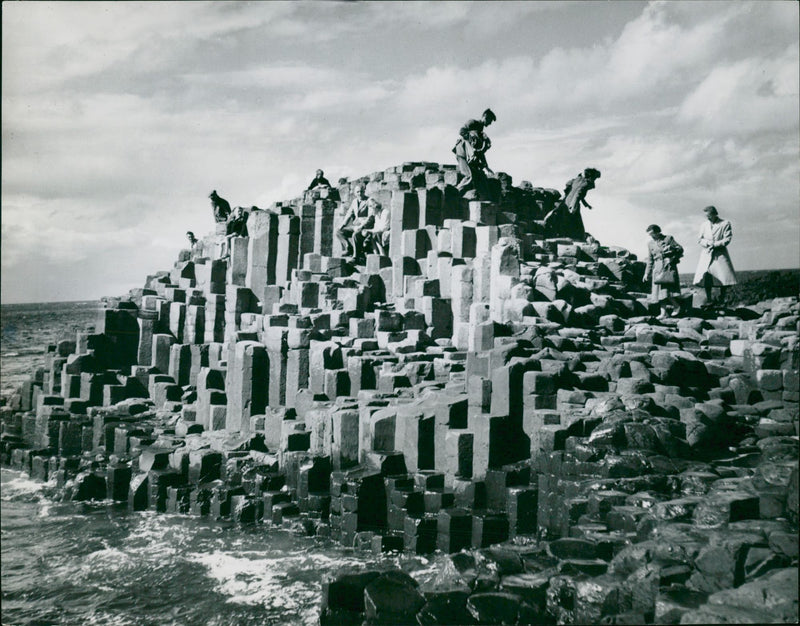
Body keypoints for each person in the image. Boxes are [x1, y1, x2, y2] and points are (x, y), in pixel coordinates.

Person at [693, 205, 737, 306]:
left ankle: (722, 299)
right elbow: (699, 239)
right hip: (707, 253)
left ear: (714, 214)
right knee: (706, 276)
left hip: (719, 253)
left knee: (723, 277)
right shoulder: (704, 225)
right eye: (706, 216)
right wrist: (707, 243)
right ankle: (709, 300)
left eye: (709, 215)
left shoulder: (725, 223)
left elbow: (727, 239)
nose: (707, 218)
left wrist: (715, 244)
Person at [543, 168, 601, 240]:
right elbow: (578, 193)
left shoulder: (577, 180)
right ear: (591, 177)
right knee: (573, 223)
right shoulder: (586, 184)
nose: (595, 180)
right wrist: (573, 206)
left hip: (566, 202)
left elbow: (578, 193)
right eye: (595, 178)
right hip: (572, 203)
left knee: (564, 219)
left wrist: (586, 204)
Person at [453, 108, 496, 198]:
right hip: (462, 153)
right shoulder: (473, 122)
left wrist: (486, 167)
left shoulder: (481, 131)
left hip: (471, 157)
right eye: (489, 120)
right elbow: (461, 131)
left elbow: (479, 152)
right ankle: (454, 194)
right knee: (469, 176)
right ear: (484, 116)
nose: (490, 123)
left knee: (481, 178)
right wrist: (471, 139)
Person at [643, 224, 684, 318]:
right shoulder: (650, 243)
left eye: (652, 234)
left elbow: (680, 250)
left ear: (658, 232)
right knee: (659, 292)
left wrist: (672, 257)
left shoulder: (668, 239)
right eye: (650, 234)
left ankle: (677, 306)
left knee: (668, 291)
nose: (651, 236)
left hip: (668, 267)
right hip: (657, 269)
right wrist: (646, 273)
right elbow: (650, 260)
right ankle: (663, 313)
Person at [337, 184, 370, 257]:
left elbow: (370, 217)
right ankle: (348, 248)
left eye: (361, 191)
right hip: (355, 225)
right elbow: (349, 214)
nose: (360, 194)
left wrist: (361, 226)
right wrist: (342, 225)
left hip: (365, 226)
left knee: (355, 235)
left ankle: (356, 256)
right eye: (358, 192)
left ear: (364, 192)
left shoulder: (368, 200)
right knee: (339, 232)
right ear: (355, 193)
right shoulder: (354, 201)